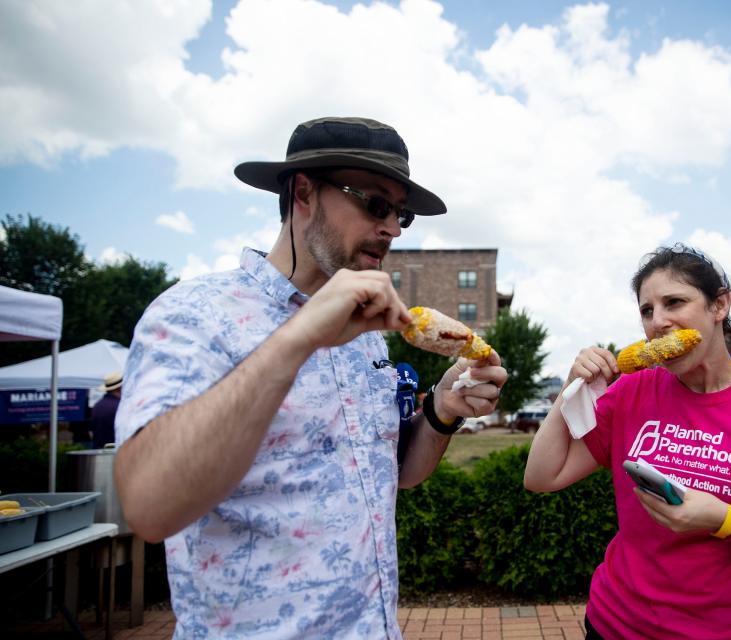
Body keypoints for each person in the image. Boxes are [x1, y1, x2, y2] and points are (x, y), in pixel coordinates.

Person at [113, 117, 507, 639]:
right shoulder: (194, 314)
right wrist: (299, 337)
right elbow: (148, 507)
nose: (391, 226)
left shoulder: (367, 333)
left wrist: (442, 409)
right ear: (303, 191)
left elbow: (395, 473)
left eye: (401, 214)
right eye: (375, 203)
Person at [524, 244, 731, 639]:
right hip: (617, 625)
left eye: (674, 302)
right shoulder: (631, 391)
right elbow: (542, 476)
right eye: (647, 310)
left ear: (720, 305)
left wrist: (726, 520)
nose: (657, 322)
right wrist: (570, 391)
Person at [91, 371, 122, 448]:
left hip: (99, 452)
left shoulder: (97, 406)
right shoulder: (120, 406)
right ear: (120, 388)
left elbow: (91, 432)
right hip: (116, 452)